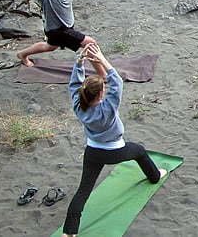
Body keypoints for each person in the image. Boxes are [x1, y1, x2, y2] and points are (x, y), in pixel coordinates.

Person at [62, 43, 166, 237]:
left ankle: (69, 232)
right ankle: (155, 176)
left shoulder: (79, 105)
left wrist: (79, 61)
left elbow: (74, 84)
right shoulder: (107, 108)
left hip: (93, 152)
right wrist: (101, 58)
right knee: (140, 151)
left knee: (83, 191)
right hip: (117, 151)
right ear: (101, 94)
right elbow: (116, 80)